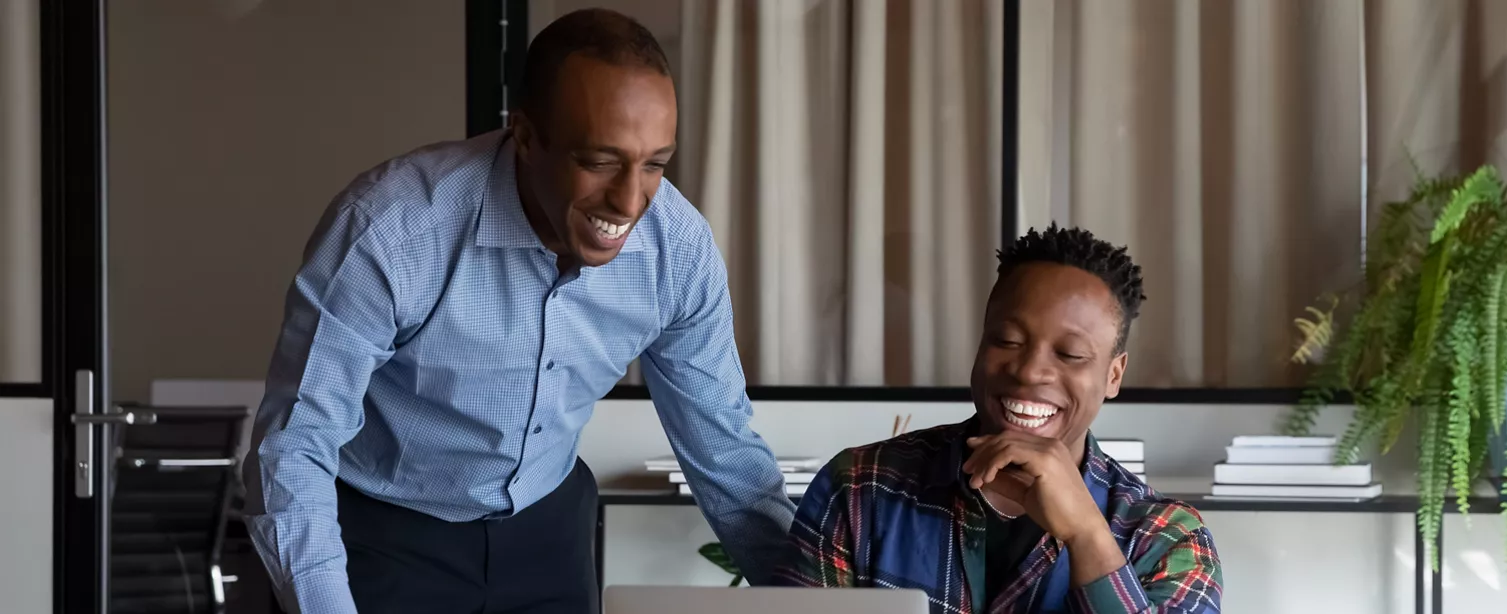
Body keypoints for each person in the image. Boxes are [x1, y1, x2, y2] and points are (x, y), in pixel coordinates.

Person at [241, 9, 793, 614]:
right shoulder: (391, 230)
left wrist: (819, 601)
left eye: (656, 163)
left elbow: (724, 454)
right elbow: (295, 446)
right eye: (600, 161)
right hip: (382, 540)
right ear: (526, 137)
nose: (631, 200)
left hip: (547, 536)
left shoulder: (678, 251)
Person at [770, 224, 1222, 613]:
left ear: (1113, 374)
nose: (1029, 372)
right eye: (1007, 340)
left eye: (1070, 354)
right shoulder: (860, 490)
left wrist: (1087, 536)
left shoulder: (1167, 539)